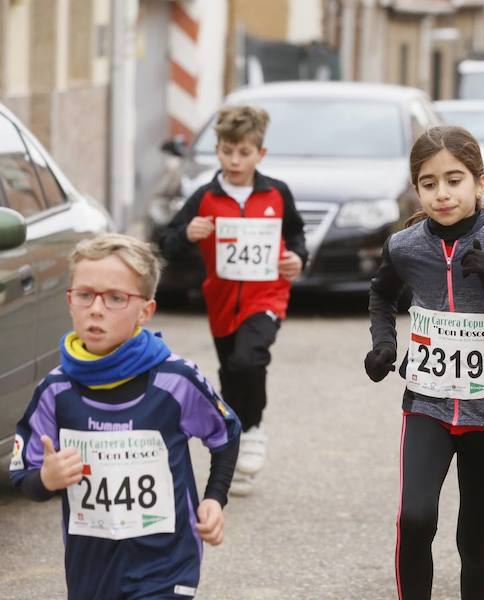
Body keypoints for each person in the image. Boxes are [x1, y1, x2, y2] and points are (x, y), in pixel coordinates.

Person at [365, 126, 484, 600]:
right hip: (427, 406)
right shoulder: (405, 246)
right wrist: (384, 343)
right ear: (417, 189)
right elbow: (381, 294)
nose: (442, 193)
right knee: (414, 520)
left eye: (454, 180)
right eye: (429, 183)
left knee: (473, 541)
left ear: (480, 184)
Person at [9, 234, 241, 599]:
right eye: (85, 295)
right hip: (91, 569)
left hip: (166, 566)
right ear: (70, 302)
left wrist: (213, 499)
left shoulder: (175, 380)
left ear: (145, 311)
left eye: (116, 298)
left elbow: (226, 434)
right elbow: (24, 476)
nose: (96, 309)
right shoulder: (56, 390)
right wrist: (47, 479)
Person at [161, 105, 307, 496]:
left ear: (261, 154)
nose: (235, 160)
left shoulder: (277, 193)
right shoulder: (205, 197)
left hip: (267, 295)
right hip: (222, 301)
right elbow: (167, 243)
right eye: (227, 151)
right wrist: (188, 233)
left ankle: (254, 428)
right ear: (218, 150)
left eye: (244, 152)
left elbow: (295, 236)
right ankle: (237, 447)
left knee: (249, 359)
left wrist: (297, 259)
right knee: (230, 372)